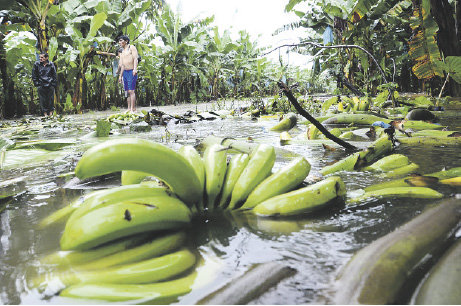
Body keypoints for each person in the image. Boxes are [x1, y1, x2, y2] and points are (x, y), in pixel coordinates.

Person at [118, 35, 138, 113]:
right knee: (127, 91)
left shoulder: (131, 47)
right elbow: (122, 65)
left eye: (121, 40)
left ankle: (133, 109)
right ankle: (129, 108)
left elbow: (135, 58)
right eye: (119, 41)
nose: (119, 42)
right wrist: (120, 76)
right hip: (125, 72)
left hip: (131, 71)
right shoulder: (122, 51)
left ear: (126, 41)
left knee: (131, 91)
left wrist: (135, 69)